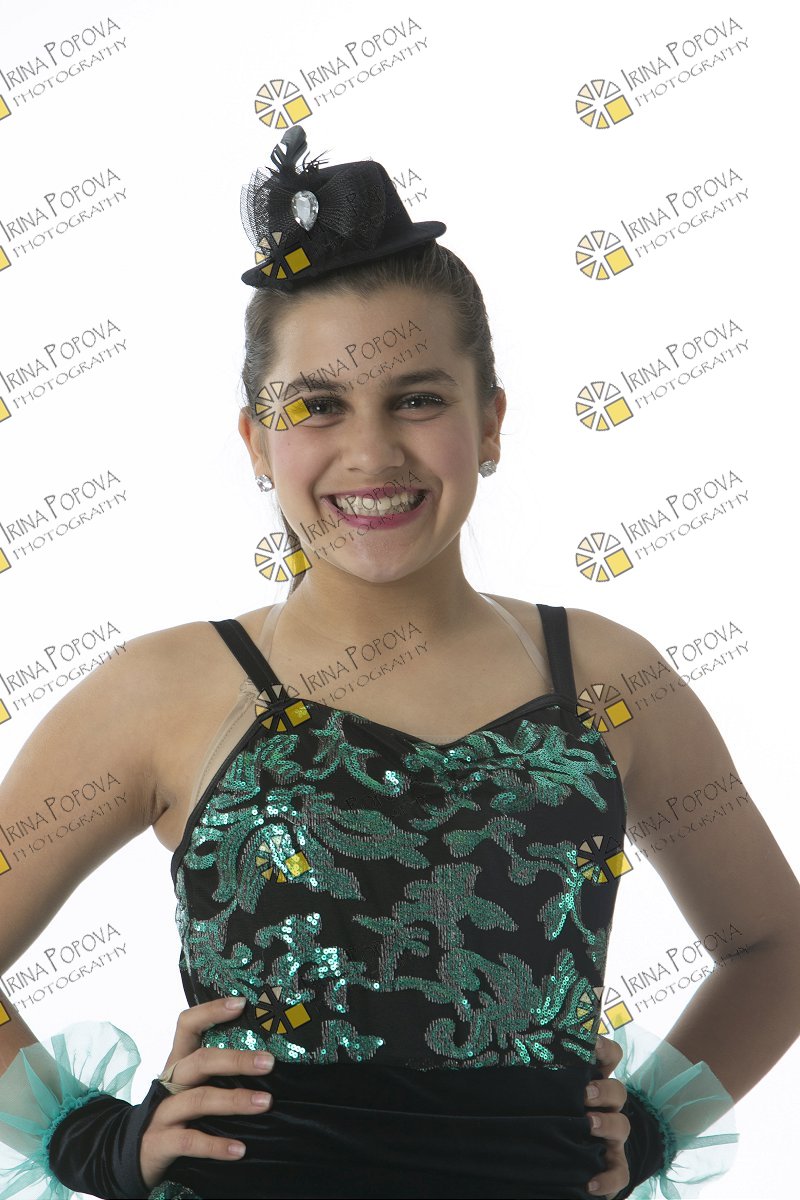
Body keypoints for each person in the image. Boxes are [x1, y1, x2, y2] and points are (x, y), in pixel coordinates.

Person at [0, 126, 797, 1200]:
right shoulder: (169, 688)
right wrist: (92, 1142)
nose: (371, 453)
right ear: (255, 441)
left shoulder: (607, 679)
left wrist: (647, 1131)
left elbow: (776, 947)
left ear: (490, 423)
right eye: (316, 406)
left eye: (417, 399)